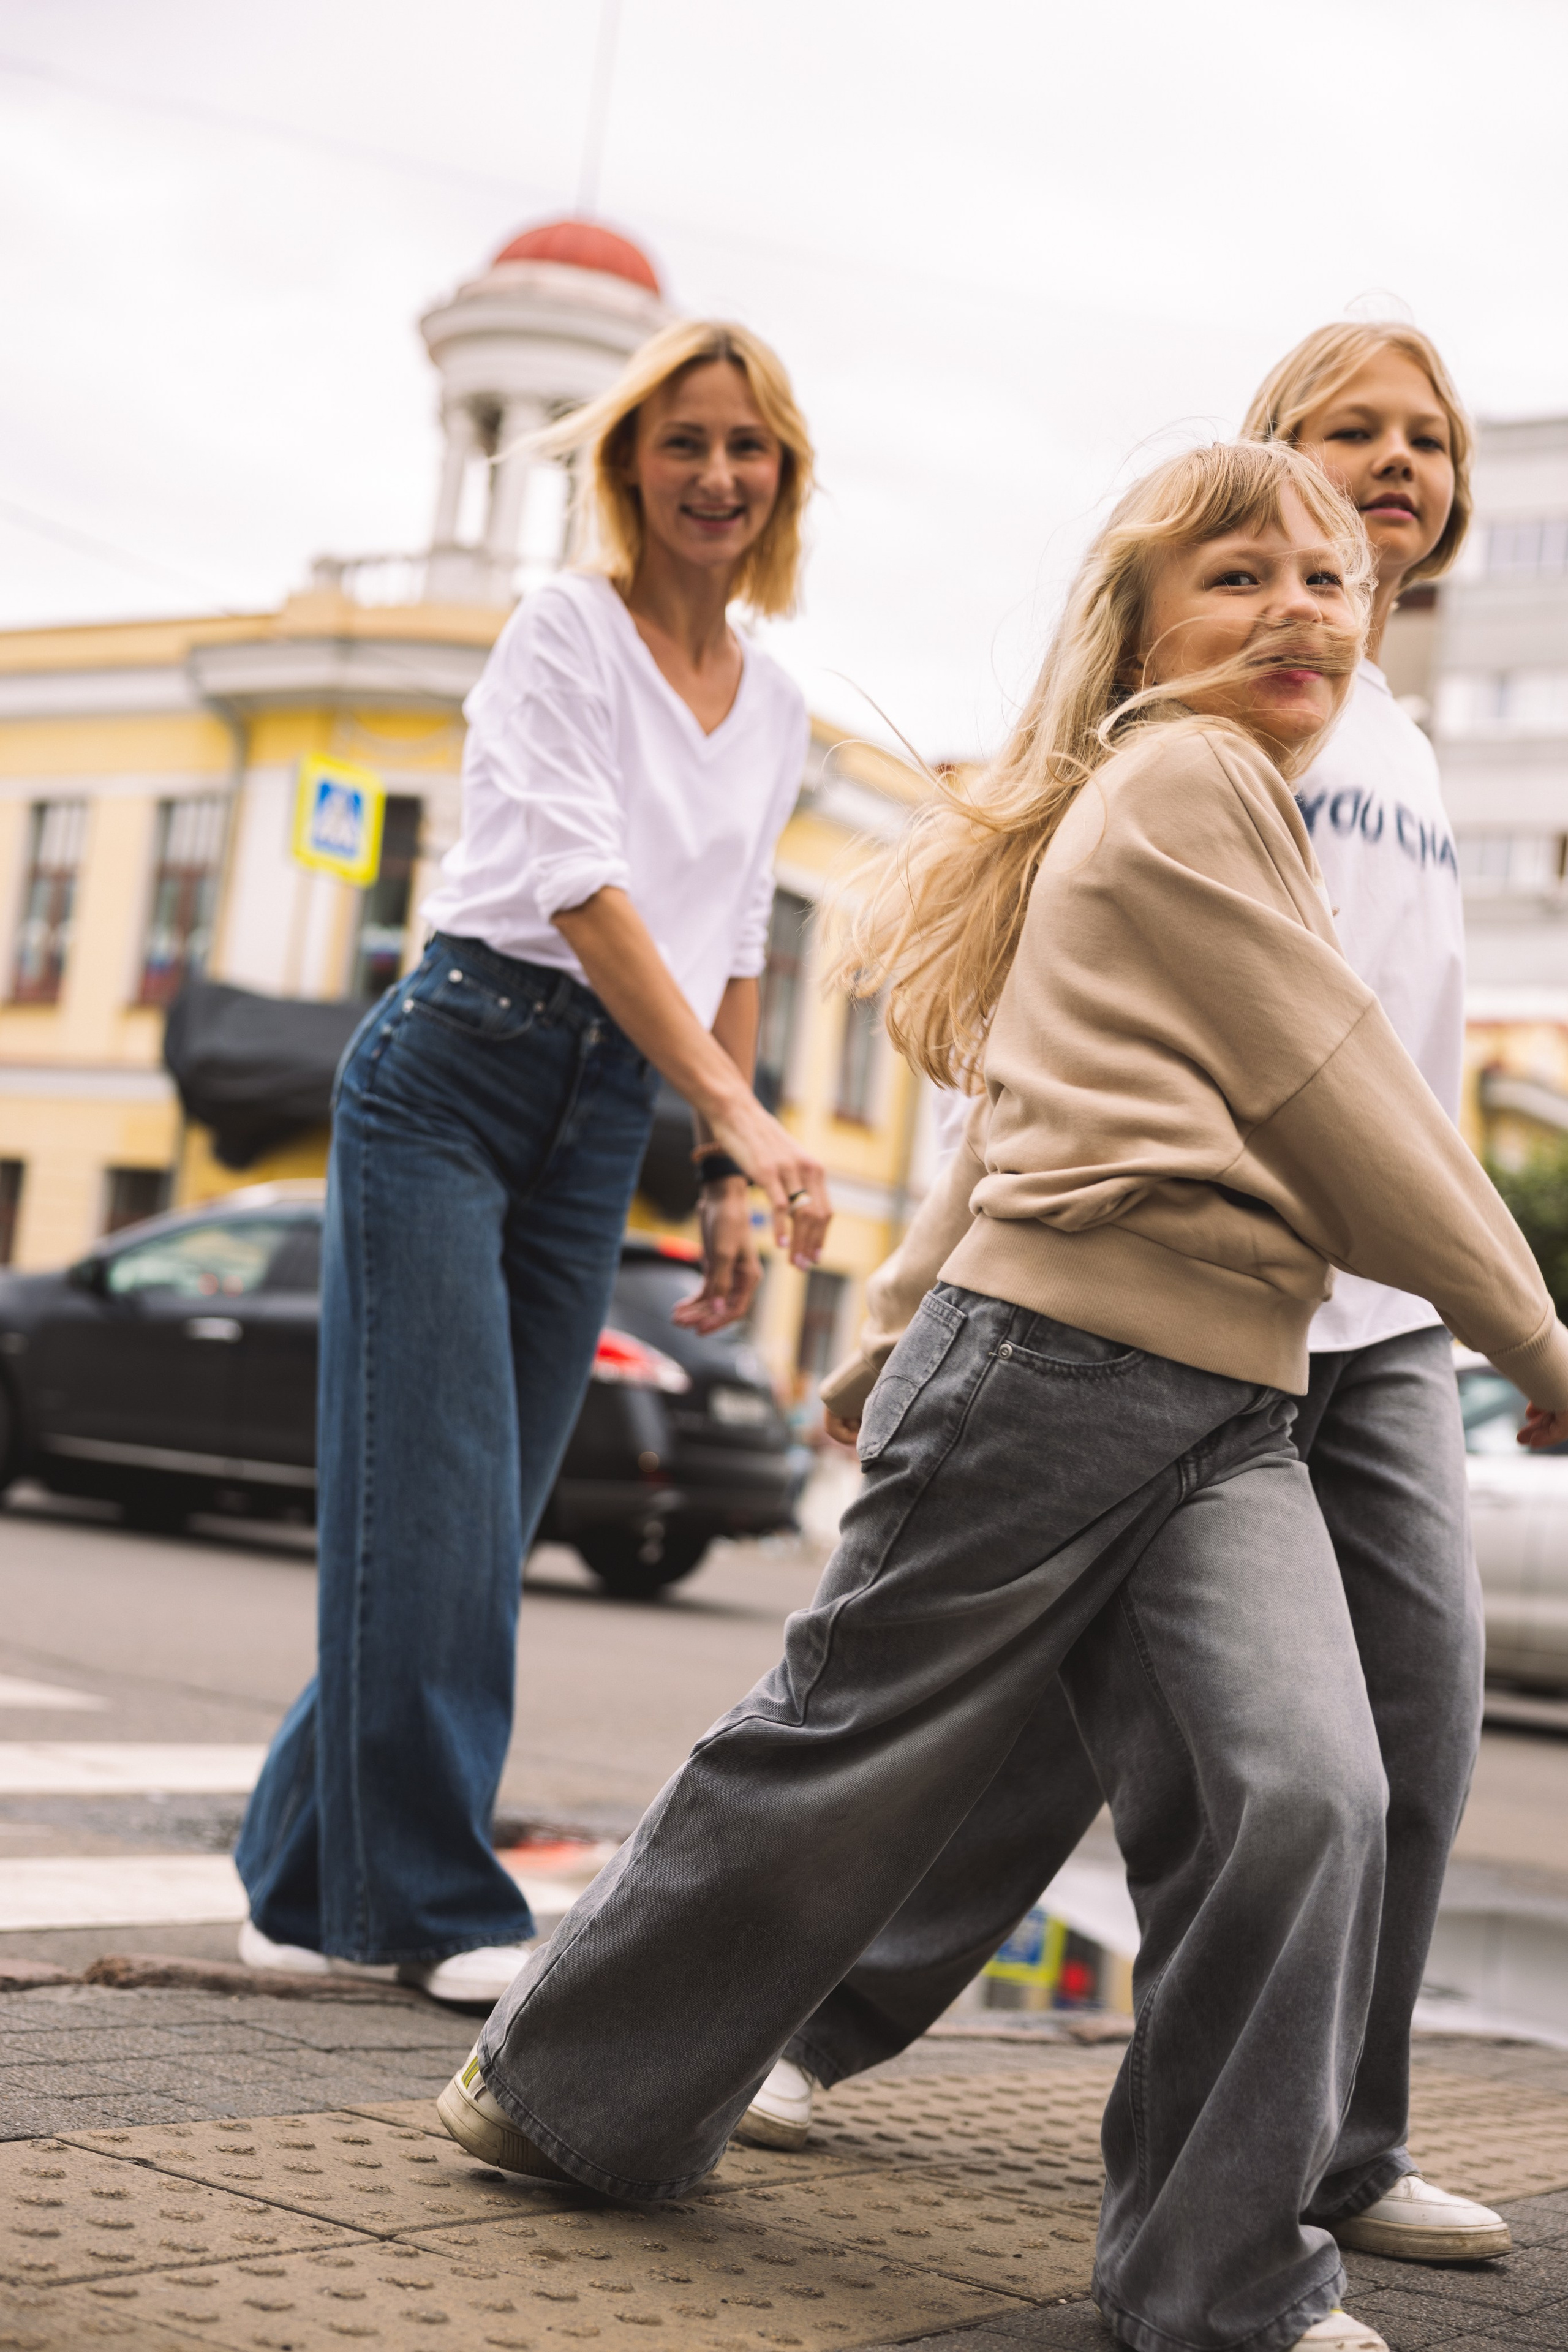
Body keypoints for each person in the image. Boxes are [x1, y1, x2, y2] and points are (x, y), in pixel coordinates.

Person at [437, 436, 1568, 2352]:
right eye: (1240, 577)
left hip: (1227, 1401)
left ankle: (1212, 2284)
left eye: (1330, 582)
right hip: (1054, 1374)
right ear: (1138, 629)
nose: (1303, 605)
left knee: (1307, 1791)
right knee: (843, 1760)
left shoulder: (1225, 819)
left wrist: (879, 1323)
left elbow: (1003, 1133)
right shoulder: (1191, 776)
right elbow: (1334, 1090)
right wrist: (1538, 1335)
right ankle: (556, 2091)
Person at [743, 323, 1506, 2270]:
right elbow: (1045, 1029)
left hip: (1381, 1320)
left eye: (1427, 441)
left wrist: (1483, 1289)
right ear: (1271, 462)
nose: (1397, 465)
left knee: (1397, 1738)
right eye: (1354, 435)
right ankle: (805, 2026)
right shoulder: (1209, 716)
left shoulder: (1401, 739)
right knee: (1044, 1736)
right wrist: (920, 1285)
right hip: (1170, 1304)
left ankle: (1338, 2146)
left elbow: (1401, 1070)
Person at [233, 320, 831, 2004]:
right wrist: (735, 1110)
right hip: (452, 1075)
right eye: (683, 445)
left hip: (599, 1118)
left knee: (475, 1521)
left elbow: (732, 932)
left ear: (784, 477)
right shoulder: (563, 630)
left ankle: (295, 1868)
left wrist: (718, 1154)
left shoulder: (774, 696)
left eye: (749, 448)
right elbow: (583, 887)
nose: (716, 477)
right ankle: (430, 1904)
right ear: (628, 467)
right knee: (427, 1512)